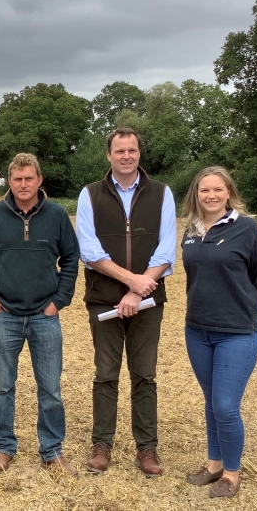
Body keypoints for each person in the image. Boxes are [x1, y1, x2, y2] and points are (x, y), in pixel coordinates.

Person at [75, 127, 177, 477]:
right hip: (103, 299)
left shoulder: (162, 193)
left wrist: (138, 291)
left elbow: (166, 249)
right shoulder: (90, 195)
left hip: (149, 303)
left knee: (144, 375)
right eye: (119, 151)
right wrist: (130, 281)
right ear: (108, 155)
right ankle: (101, 444)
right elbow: (89, 252)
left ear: (139, 154)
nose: (126, 156)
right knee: (106, 374)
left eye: (132, 150)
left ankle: (146, 449)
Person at [0, 153, 80, 475]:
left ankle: (52, 450)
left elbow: (71, 260)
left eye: (29, 178)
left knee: (50, 388)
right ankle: (4, 448)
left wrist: (59, 301)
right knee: (3, 386)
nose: (23, 184)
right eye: (17, 179)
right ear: (10, 181)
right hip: (4, 314)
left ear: (39, 180)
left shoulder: (57, 215)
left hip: (45, 316)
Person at [180, 166, 257, 498]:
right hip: (198, 331)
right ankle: (213, 464)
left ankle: (231, 473)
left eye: (218, 189)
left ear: (228, 192)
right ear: (196, 195)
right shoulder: (191, 229)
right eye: (204, 190)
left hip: (237, 332)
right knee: (211, 401)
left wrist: (241, 312)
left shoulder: (247, 229)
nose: (211, 195)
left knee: (226, 404)